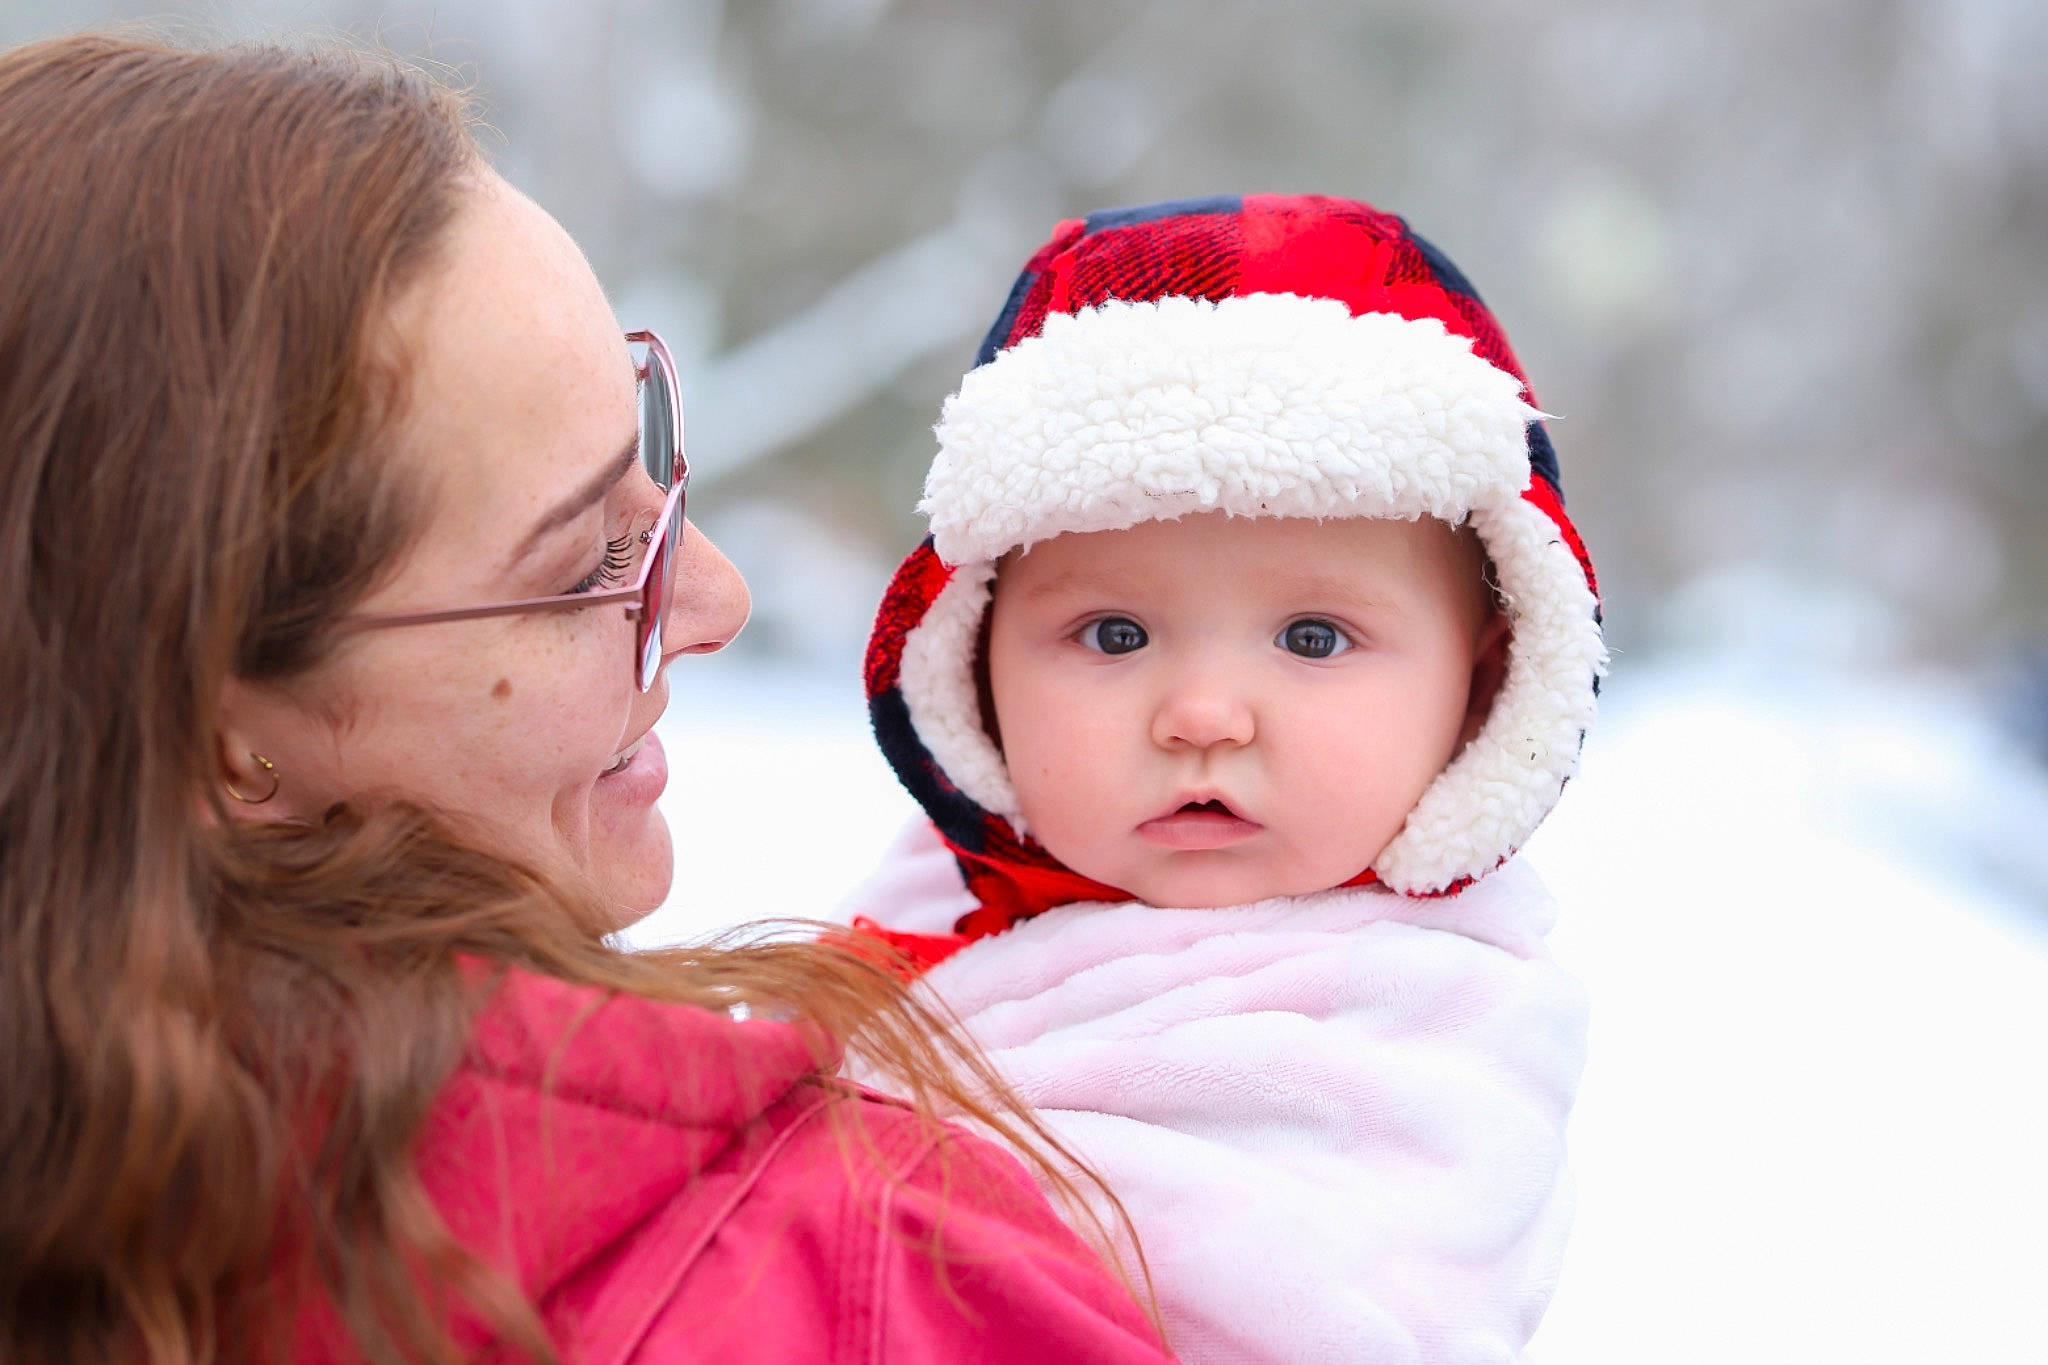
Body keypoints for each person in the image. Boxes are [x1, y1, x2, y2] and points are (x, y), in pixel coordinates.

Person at [0, 34, 1176, 1365]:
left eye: (654, 459)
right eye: (585, 564)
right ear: (227, 742)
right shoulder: (861, 1283)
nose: (714, 599)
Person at [843, 195, 1609, 1362]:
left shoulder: (1421, 1033)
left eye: (1311, 639)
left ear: (1479, 685)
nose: (1201, 714)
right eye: (1112, 636)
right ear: (971, 660)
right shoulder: (923, 910)